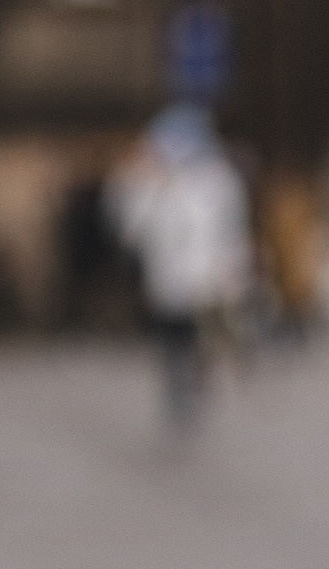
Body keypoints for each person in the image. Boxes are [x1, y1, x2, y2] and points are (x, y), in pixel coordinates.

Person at [107, 105, 252, 439]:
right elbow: (130, 231)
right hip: (166, 284)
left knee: (202, 343)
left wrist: (235, 273)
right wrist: (138, 182)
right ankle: (177, 398)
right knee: (171, 345)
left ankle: (195, 393)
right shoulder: (148, 182)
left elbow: (231, 230)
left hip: (207, 283)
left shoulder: (217, 180)